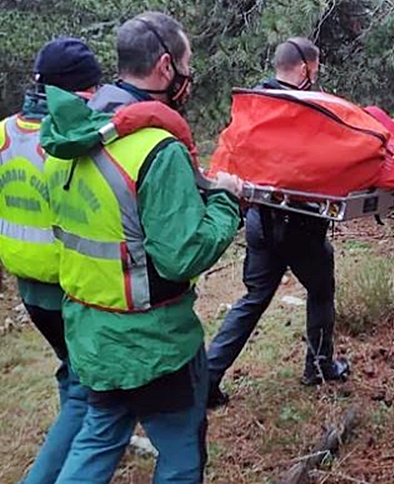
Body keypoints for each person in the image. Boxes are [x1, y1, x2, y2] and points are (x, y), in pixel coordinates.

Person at [42, 12, 243, 483]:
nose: (191, 78)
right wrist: (226, 203)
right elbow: (183, 255)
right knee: (180, 453)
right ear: (166, 67)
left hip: (91, 336)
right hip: (155, 344)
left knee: (96, 441)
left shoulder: (70, 134)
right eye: (188, 65)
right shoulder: (156, 148)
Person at [207, 37, 349, 409]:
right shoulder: (307, 109)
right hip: (300, 226)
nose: (315, 75)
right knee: (320, 289)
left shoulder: (255, 107)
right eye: (315, 69)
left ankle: (207, 378)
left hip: (260, 223)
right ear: (305, 69)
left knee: (253, 300)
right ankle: (319, 367)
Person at [0, 37, 101, 484]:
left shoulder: (4, 132)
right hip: (69, 287)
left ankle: (77, 444)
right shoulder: (67, 143)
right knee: (85, 391)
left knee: (70, 372)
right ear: (77, 92)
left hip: (27, 285)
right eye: (93, 88)